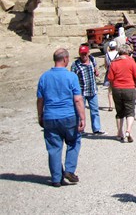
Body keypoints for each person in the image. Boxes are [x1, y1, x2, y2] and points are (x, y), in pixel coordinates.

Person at [36, 48, 86, 187]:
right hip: (69, 116)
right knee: (74, 141)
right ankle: (69, 170)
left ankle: (56, 178)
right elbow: (78, 99)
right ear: (65, 59)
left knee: (54, 148)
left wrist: (40, 115)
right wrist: (82, 118)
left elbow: (40, 100)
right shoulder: (71, 77)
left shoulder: (44, 77)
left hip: (50, 116)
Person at [107, 43, 136, 143]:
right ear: (128, 52)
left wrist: (112, 87)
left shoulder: (114, 63)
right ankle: (128, 130)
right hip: (129, 88)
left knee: (119, 112)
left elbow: (110, 78)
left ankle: (119, 133)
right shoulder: (131, 61)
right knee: (130, 111)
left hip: (117, 88)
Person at [70, 44, 105, 135]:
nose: (84, 56)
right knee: (80, 111)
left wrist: (96, 72)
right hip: (81, 91)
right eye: (82, 54)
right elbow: (72, 78)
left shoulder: (92, 59)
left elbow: (95, 69)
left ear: (88, 53)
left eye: (85, 54)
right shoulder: (75, 65)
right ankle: (81, 129)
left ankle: (96, 129)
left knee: (95, 110)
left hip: (92, 90)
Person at [103, 40, 119, 111]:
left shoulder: (107, 54)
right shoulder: (118, 54)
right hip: (117, 71)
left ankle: (110, 105)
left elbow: (106, 65)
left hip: (110, 71)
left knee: (110, 90)